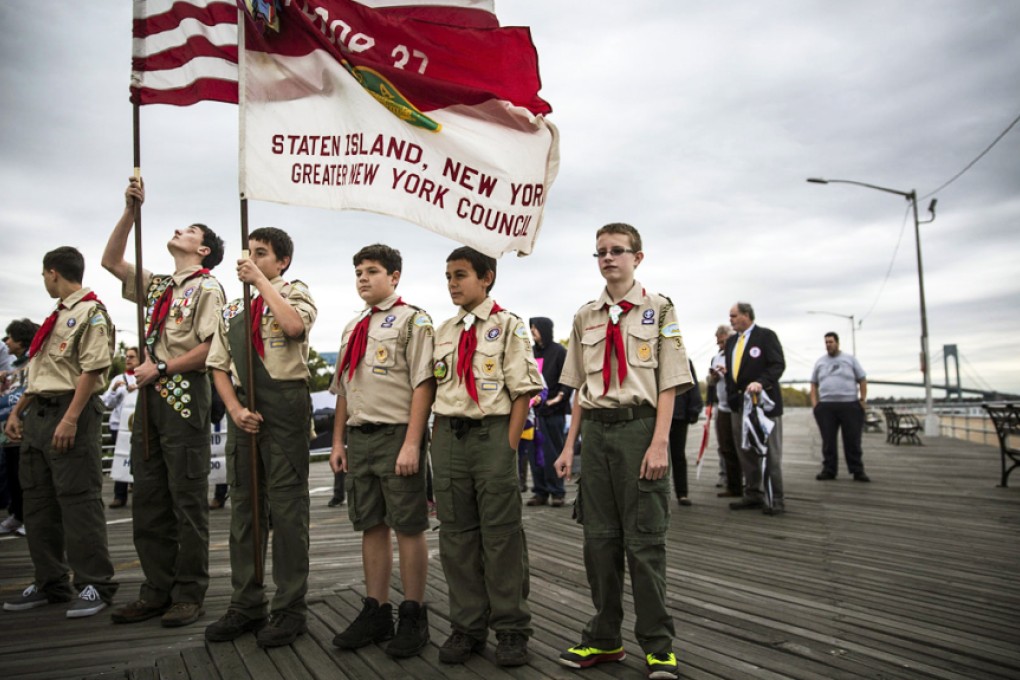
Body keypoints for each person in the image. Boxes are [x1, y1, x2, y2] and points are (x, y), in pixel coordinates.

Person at [553, 223, 694, 680]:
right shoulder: (584, 316)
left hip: (639, 429)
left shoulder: (659, 310)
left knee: (645, 542)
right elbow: (579, 389)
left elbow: (670, 382)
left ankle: (658, 644)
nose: (608, 259)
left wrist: (659, 445)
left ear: (638, 257)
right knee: (599, 542)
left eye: (617, 251)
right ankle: (604, 639)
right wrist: (569, 446)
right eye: (600, 253)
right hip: (596, 434)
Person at [103, 176, 225, 627]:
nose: (179, 230)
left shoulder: (208, 287)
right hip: (151, 397)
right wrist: (131, 213)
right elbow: (111, 260)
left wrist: (165, 367)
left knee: (187, 499)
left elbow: (212, 347)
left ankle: (188, 593)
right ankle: (155, 588)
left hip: (183, 393)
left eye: (190, 230)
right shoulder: (158, 286)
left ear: (204, 249)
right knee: (149, 497)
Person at [204, 227, 317, 648]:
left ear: (282, 261)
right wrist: (233, 410)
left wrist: (261, 283)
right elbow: (218, 364)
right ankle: (246, 603)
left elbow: (292, 328)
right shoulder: (234, 308)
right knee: (245, 513)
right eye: (247, 252)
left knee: (288, 515)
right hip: (244, 410)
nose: (249, 258)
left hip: (284, 407)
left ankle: (289, 609)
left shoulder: (295, 292)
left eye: (261, 253)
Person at [431, 246, 542, 666]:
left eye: (460, 275)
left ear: (487, 277)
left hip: (491, 434)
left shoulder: (508, 326)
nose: (453, 284)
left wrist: (508, 446)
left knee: (501, 537)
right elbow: (434, 388)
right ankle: (467, 627)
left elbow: (524, 391)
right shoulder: (443, 331)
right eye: (448, 276)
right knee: (456, 537)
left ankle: (512, 629)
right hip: (449, 438)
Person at [329, 244, 435, 659]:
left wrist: (413, 442)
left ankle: (413, 612)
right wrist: (338, 441)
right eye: (358, 271)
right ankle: (377, 610)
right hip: (361, 435)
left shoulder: (414, 321)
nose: (362, 278)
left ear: (394, 276)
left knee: (407, 524)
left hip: (396, 434)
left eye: (372, 270)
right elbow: (342, 389)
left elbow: (424, 383)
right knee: (370, 523)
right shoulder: (352, 326)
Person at [2, 247, 118, 618]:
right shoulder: (56, 316)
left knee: (79, 501)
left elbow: (91, 370)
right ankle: (50, 581)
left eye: (44, 275)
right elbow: (40, 375)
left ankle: (94, 583)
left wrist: (70, 418)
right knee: (38, 502)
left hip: (71, 411)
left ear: (53, 273)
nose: (44, 281)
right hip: (39, 412)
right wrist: (17, 412)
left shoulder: (91, 313)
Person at [724, 302, 786, 515]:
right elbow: (736, 372)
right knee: (745, 450)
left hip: (763, 405)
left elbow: (778, 364)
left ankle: (776, 498)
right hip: (740, 406)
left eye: (733, 315)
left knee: (771, 452)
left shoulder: (766, 336)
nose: (730, 320)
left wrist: (761, 381)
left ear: (746, 315)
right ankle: (753, 493)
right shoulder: (732, 341)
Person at [810, 332, 870, 482]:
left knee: (853, 440)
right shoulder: (820, 362)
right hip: (826, 406)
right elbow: (813, 384)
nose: (828, 345)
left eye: (831, 342)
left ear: (838, 343)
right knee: (828, 440)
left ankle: (857, 470)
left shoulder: (850, 360)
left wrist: (862, 400)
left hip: (849, 404)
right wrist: (815, 405)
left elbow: (862, 379)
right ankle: (829, 470)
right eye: (826, 343)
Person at [526, 317, 572, 507]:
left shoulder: (559, 351)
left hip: (553, 411)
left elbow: (568, 378)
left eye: (536, 328)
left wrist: (559, 397)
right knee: (534, 453)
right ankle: (540, 491)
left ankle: (557, 492)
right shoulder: (530, 352)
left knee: (553, 451)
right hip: (533, 413)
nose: (533, 332)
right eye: (531, 329)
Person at [0, 320, 39, 537]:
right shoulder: (13, 367)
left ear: (21, 340)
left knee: (26, 476)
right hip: (8, 432)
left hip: (25, 429)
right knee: (12, 475)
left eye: (11, 337)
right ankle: (16, 514)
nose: (7, 341)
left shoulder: (33, 364)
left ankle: (29, 517)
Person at [707, 325, 742, 498]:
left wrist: (728, 373)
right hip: (722, 406)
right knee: (725, 447)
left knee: (741, 447)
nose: (719, 344)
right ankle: (733, 485)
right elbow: (710, 383)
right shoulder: (717, 357)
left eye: (722, 341)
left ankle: (747, 483)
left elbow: (743, 376)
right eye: (718, 341)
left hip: (738, 407)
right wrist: (713, 377)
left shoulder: (737, 354)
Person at [102, 347, 139, 508]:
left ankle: (139, 493)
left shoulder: (143, 377)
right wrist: (115, 389)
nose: (128, 360)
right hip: (119, 426)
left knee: (139, 460)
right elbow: (106, 403)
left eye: (132, 357)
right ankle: (119, 495)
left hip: (137, 426)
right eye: (127, 357)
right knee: (121, 458)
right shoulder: (118, 378)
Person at [668, 359, 703, 506]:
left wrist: (694, 409)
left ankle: (682, 493)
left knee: (678, 455)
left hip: (678, 413)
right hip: (654, 414)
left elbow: (692, 385)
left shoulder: (683, 359)